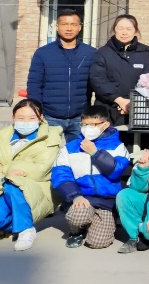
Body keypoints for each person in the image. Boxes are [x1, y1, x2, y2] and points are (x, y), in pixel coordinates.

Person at [0, 99, 64, 251]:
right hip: (3, 188)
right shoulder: (0, 138)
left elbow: (40, 171)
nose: (26, 122)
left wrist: (3, 169)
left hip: (38, 190)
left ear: (41, 118)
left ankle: (26, 230)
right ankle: (16, 222)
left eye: (32, 118)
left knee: (14, 182)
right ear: (13, 118)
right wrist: (4, 176)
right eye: (21, 118)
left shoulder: (50, 138)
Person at [52, 104, 129, 249]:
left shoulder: (118, 147)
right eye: (84, 124)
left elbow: (116, 171)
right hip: (82, 197)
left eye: (93, 125)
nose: (88, 128)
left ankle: (100, 222)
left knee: (98, 242)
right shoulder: (70, 147)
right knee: (77, 216)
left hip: (107, 201)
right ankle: (76, 232)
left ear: (105, 124)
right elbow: (61, 175)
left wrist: (96, 153)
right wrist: (75, 196)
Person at [26, 8, 96, 141]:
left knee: (77, 152)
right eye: (64, 24)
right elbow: (34, 84)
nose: (69, 28)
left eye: (73, 24)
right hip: (50, 116)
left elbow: (97, 83)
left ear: (79, 27)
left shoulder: (90, 53)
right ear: (57, 27)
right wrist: (36, 110)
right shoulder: (43, 53)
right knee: (49, 152)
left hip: (80, 116)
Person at [89, 14, 149, 126]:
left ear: (135, 31)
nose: (124, 33)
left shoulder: (144, 53)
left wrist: (131, 103)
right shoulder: (103, 53)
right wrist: (119, 100)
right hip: (107, 110)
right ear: (114, 29)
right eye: (120, 28)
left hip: (137, 110)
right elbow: (98, 80)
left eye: (129, 29)